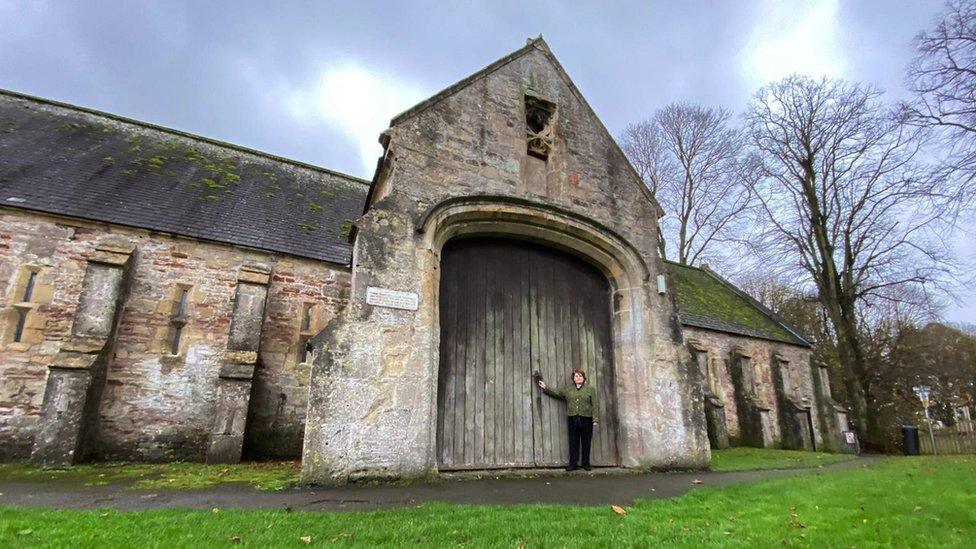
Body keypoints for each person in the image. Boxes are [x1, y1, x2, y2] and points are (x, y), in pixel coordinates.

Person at [537, 369, 599, 471]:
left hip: (586, 419)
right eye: (576, 376)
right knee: (573, 442)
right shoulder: (568, 389)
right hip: (573, 418)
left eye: (580, 376)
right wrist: (545, 388)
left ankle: (586, 463)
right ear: (573, 379)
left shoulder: (590, 389)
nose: (578, 378)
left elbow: (595, 405)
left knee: (586, 442)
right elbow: (557, 393)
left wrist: (595, 419)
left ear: (584, 378)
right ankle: (573, 464)